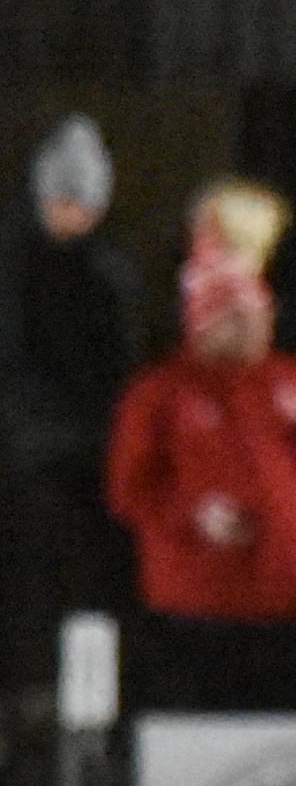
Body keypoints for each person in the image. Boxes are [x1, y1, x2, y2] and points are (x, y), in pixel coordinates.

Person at [106, 178, 296, 710]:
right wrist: (194, 516)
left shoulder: (287, 382)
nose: (252, 329)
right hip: (199, 608)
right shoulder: (158, 395)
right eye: (236, 318)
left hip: (283, 604)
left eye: (258, 314)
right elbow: (129, 491)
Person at [0, 116, 143, 634]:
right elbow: (3, 357)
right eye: (69, 202)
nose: (79, 216)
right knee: (47, 575)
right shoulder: (11, 267)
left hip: (95, 447)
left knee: (96, 578)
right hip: (41, 449)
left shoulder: (104, 266)